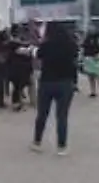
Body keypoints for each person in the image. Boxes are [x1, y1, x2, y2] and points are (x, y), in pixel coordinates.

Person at [30, 23, 79, 155]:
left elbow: (38, 55)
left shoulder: (46, 45)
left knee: (42, 114)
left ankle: (37, 142)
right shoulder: (71, 45)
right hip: (66, 83)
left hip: (47, 82)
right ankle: (61, 146)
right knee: (62, 116)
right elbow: (76, 61)